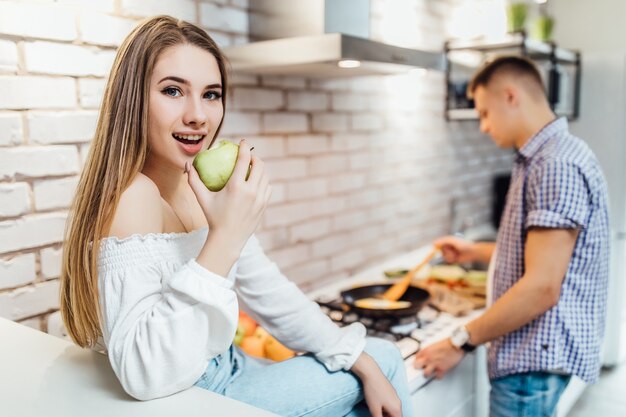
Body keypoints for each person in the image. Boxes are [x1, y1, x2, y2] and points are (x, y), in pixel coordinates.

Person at [59, 15, 413, 417]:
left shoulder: (198, 188)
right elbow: (145, 374)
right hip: (187, 395)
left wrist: (355, 357)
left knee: (371, 366)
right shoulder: (133, 197)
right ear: (132, 99)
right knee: (385, 360)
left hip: (229, 370)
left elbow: (270, 293)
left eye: (211, 94)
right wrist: (225, 236)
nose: (198, 116)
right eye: (173, 90)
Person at [414, 55, 610, 417]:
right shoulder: (544, 158)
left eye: (484, 113)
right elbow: (539, 255)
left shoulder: (555, 164)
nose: (483, 127)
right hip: (533, 357)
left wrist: (459, 341)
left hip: (530, 358)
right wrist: (475, 251)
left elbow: (541, 287)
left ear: (510, 96)